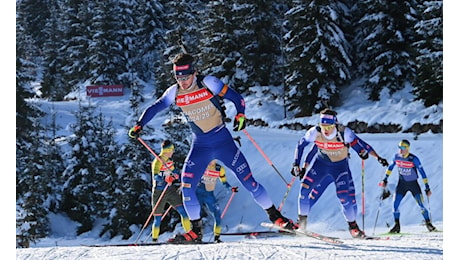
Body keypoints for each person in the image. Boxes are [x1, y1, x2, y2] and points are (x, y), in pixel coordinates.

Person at [129, 53, 298, 243]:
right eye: (178, 78)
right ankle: (195, 231)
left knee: (249, 182)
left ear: (194, 72)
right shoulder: (174, 92)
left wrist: (241, 115)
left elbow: (237, 98)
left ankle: (277, 217)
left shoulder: (208, 83)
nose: (183, 82)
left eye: (186, 77)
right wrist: (139, 124)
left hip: (223, 142)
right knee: (186, 187)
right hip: (200, 146)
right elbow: (155, 107)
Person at [290, 108, 389, 238]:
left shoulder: (344, 133)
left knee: (344, 197)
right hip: (320, 165)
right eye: (323, 125)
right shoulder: (314, 132)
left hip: (340, 168)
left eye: (329, 126)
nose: (326, 130)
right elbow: (301, 145)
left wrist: (365, 154)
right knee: (304, 190)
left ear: (335, 124)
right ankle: (302, 224)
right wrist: (297, 164)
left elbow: (359, 145)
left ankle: (353, 228)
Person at [379, 139, 436, 233]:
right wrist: (385, 179)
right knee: (395, 205)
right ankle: (397, 226)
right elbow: (390, 168)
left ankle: (428, 224)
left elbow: (423, 173)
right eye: (399, 147)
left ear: (407, 149)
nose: (400, 150)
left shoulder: (413, 159)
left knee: (421, 205)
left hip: (414, 185)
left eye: (403, 148)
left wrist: (427, 187)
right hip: (402, 184)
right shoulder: (396, 157)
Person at [150, 140, 191, 242]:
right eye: (172, 150)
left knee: (183, 211)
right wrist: (165, 179)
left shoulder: (169, 161)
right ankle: (154, 240)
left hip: (170, 190)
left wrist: (176, 174)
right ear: (167, 150)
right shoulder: (157, 161)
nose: (173, 152)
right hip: (159, 192)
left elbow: (174, 171)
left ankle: (189, 235)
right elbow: (155, 176)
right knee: (158, 219)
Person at [196, 160, 238, 243]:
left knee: (217, 215)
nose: (211, 160)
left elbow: (224, 182)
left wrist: (231, 188)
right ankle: (196, 236)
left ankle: (217, 237)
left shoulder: (219, 169)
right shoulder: (201, 164)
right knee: (196, 216)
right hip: (198, 195)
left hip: (209, 195)